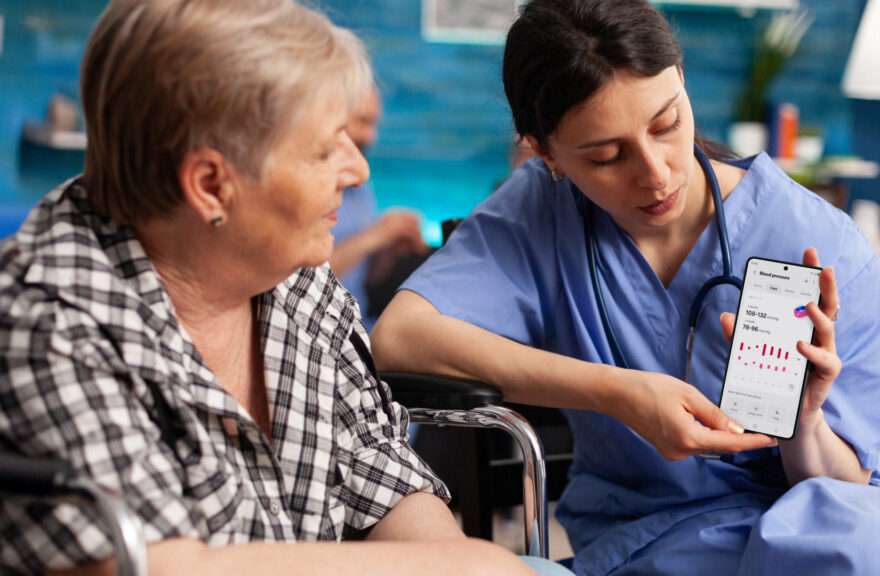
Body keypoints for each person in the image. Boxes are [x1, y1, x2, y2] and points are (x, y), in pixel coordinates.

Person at [371, 0, 880, 574]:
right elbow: (400, 337)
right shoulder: (539, 215)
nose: (657, 172)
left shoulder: (819, 241)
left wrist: (804, 421)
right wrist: (618, 393)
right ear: (545, 153)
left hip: (809, 534)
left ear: (683, 83)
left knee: (877, 543)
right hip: (652, 544)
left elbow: (843, 489)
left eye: (667, 124)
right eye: (607, 156)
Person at [0, 2, 569, 575]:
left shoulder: (291, 273)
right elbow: (148, 567)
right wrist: (453, 569)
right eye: (326, 149)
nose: (358, 170)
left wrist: (455, 561)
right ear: (211, 184)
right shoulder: (47, 317)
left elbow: (380, 468)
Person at [327, 43, 428, 325]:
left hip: (358, 322)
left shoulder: (360, 189)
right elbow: (293, 282)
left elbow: (362, 278)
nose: (370, 136)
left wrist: (387, 252)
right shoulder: (312, 186)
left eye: (375, 125)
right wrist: (374, 236)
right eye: (362, 121)